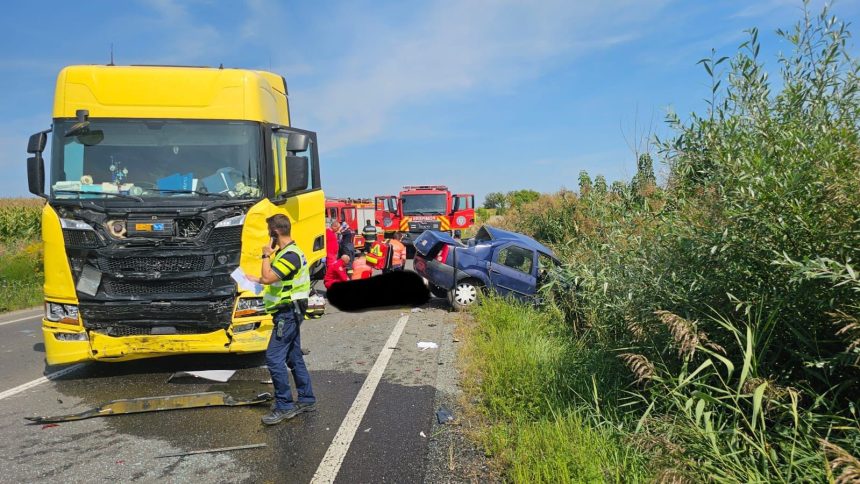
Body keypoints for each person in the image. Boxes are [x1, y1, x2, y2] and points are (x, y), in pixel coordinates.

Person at [251, 214, 316, 425]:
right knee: (293, 356)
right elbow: (272, 279)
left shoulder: (290, 255)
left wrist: (265, 255)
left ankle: (284, 406)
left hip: (287, 314)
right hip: (290, 312)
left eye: (269, 231)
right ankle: (306, 399)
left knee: (273, 358)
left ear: (275, 232)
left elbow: (269, 277)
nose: (268, 234)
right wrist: (255, 279)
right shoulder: (287, 253)